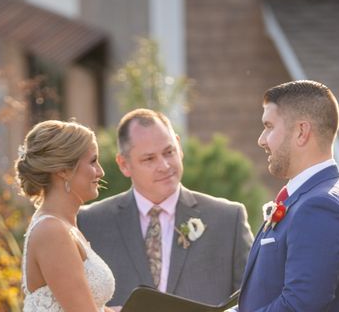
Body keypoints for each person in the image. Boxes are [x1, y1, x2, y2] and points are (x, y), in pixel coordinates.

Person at [78, 108, 253, 307]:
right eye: (149, 159)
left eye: (169, 152)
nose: (164, 165)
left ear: (179, 146)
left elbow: (253, 299)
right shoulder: (89, 222)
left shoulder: (228, 219)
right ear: (124, 164)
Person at [232, 80, 339, 312]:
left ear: (301, 132)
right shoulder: (308, 198)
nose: (261, 139)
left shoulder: (321, 206)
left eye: (269, 126)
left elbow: (298, 306)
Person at [15, 120, 120, 312]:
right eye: (93, 161)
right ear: (63, 170)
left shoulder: (66, 226)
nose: (100, 171)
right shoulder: (51, 231)